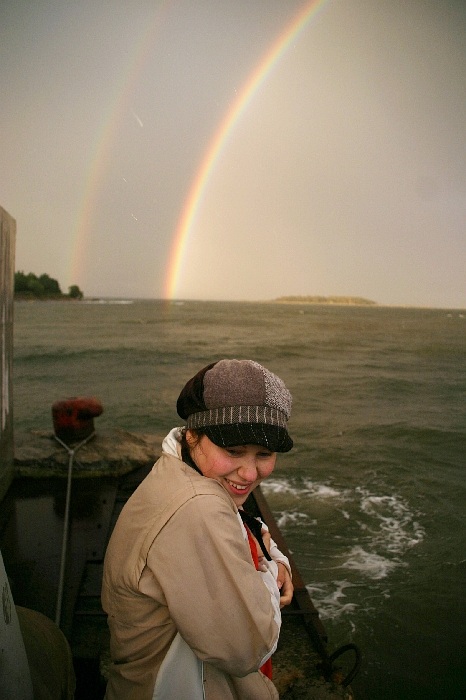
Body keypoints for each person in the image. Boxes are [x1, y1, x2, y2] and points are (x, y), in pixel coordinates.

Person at [102, 359, 294, 699]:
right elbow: (247, 647)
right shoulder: (198, 506)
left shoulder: (181, 468)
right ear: (193, 435)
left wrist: (276, 558)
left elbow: (242, 522)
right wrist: (270, 576)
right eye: (233, 451)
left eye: (264, 454)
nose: (250, 473)